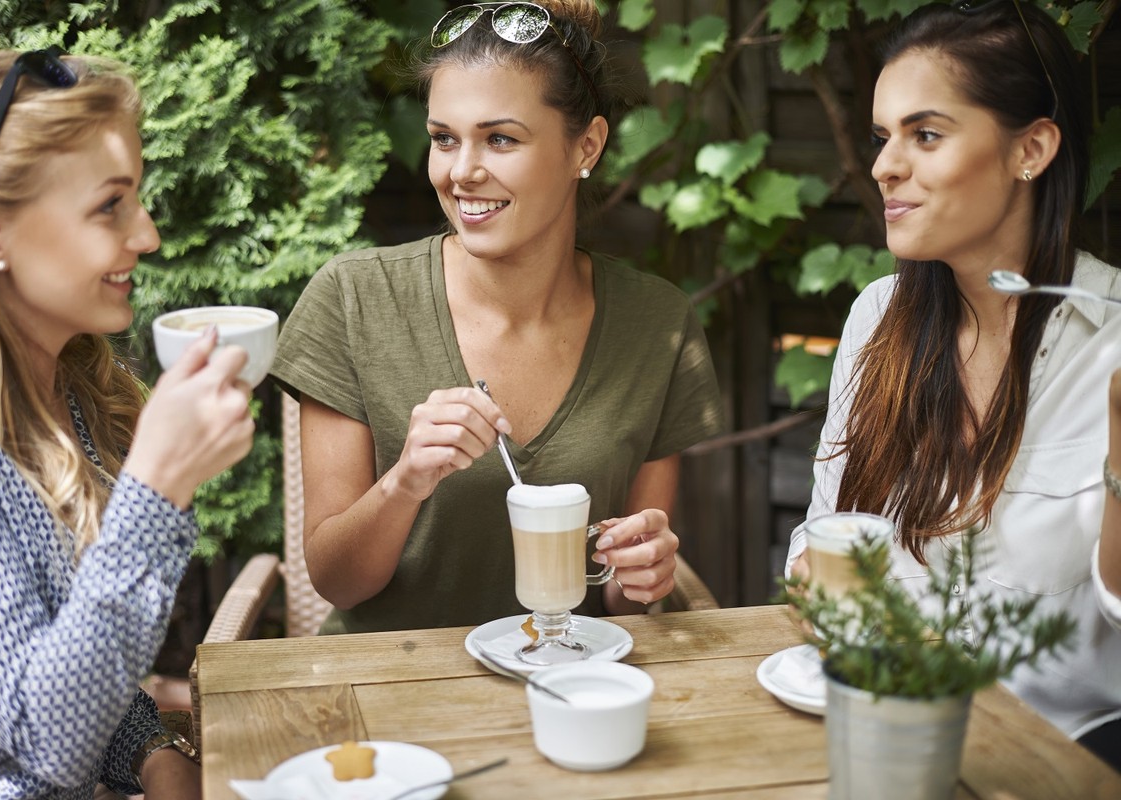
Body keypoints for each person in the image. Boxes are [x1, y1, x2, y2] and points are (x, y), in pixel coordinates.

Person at [270, 0, 725, 635]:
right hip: (393, 699)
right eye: (443, 139)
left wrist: (640, 574)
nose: (461, 173)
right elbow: (336, 580)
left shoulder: (657, 326)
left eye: (501, 139)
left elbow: (626, 601)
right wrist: (405, 482)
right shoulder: (353, 298)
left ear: (585, 145)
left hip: (572, 690)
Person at [785, 0, 1121, 768]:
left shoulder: (1112, 340)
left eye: (925, 135)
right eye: (882, 138)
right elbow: (818, 542)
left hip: (1058, 763)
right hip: (886, 733)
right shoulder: (880, 317)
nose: (883, 166)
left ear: (1030, 148)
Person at [0, 48, 255, 798]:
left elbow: (64, 667)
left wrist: (153, 751)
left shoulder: (72, 392)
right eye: (110, 206)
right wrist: (156, 486)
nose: (148, 237)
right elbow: (46, 737)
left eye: (136, 198)